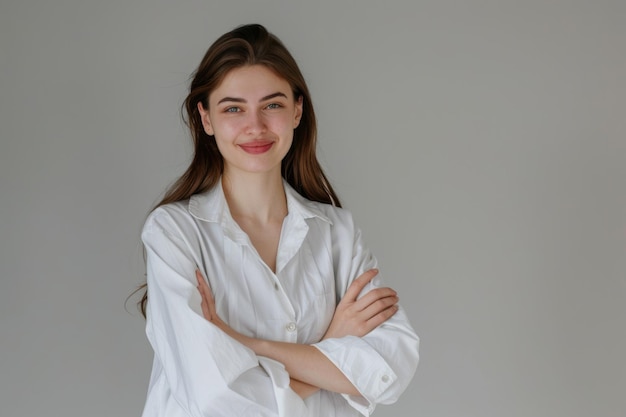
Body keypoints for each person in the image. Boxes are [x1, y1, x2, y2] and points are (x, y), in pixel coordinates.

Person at [138, 23, 419, 417]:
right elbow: (217, 401)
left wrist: (246, 343)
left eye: (272, 105)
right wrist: (329, 346)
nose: (255, 126)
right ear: (205, 119)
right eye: (233, 108)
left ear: (297, 110)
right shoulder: (174, 233)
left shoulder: (337, 233)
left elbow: (393, 364)